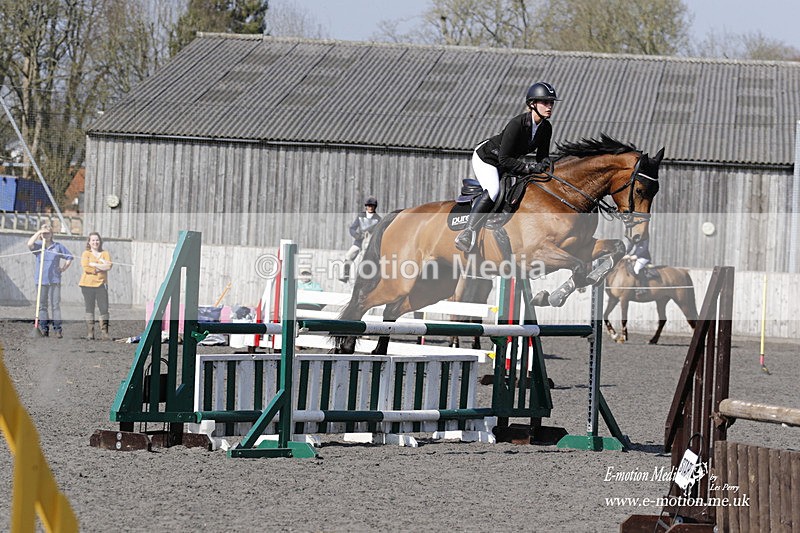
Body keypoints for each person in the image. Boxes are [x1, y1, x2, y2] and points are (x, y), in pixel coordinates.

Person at [455, 81, 559, 253]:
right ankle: (468, 232)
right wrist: (528, 168)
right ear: (532, 104)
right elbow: (504, 159)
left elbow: (542, 156)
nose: (549, 106)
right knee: (494, 189)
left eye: (551, 103)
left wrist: (546, 163)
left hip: (508, 162)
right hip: (487, 158)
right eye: (545, 102)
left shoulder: (546, 127)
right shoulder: (517, 124)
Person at [27, 223, 73, 338]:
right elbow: (29, 244)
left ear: (52, 234)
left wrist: (63, 268)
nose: (46, 234)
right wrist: (39, 232)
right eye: (44, 233)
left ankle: (58, 329)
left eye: (48, 232)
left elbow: (69, 257)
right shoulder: (38, 246)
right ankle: (44, 329)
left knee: (55, 305)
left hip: (54, 280)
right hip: (41, 280)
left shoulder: (57, 246)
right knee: (42, 306)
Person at [79, 232, 113, 340]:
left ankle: (104, 333)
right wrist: (100, 267)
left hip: (101, 284)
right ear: (89, 242)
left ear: (100, 241)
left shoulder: (105, 253)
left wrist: (95, 265)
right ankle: (90, 333)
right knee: (89, 308)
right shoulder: (86, 254)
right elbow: (86, 268)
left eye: (97, 240)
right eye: (93, 240)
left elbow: (109, 266)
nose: (95, 242)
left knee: (104, 308)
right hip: (87, 285)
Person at [339, 196, 382, 283]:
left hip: (370, 243)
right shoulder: (360, 216)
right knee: (348, 255)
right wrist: (356, 235)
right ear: (366, 206)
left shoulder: (378, 219)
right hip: (359, 241)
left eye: (372, 206)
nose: (370, 208)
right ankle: (345, 275)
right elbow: (352, 228)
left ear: (375, 207)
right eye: (369, 206)